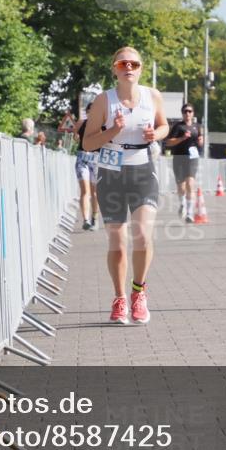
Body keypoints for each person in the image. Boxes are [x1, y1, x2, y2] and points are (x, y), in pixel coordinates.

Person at [82, 47, 169, 325]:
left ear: (141, 68)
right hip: (111, 173)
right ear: (114, 69)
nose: (128, 67)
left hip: (142, 171)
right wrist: (113, 131)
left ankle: (138, 292)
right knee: (118, 243)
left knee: (143, 235)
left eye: (134, 63)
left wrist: (155, 134)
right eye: (122, 63)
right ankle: (119, 298)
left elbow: (165, 125)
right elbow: (88, 143)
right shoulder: (103, 101)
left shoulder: (152, 96)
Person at [164, 104, 203, 223]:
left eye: (190, 111)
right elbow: (168, 143)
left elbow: (200, 142)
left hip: (192, 158)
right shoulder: (178, 127)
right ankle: (183, 204)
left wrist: (201, 142)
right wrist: (182, 138)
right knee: (181, 186)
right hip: (179, 158)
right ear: (182, 113)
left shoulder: (197, 127)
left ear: (193, 113)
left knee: (190, 184)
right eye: (185, 111)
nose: (188, 114)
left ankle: (190, 213)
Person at [74, 103, 100, 231]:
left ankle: (95, 218)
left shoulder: (103, 125)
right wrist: (77, 136)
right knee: (85, 191)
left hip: (96, 159)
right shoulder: (81, 123)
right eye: (90, 111)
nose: (92, 113)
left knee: (95, 192)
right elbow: (75, 137)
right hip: (83, 157)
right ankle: (86, 220)